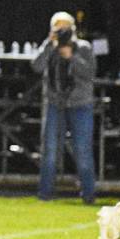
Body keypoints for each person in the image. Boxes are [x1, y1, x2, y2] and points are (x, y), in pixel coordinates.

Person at [32, 12, 96, 203]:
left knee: (82, 149)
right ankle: (45, 193)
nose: (62, 33)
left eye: (65, 28)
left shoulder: (83, 47)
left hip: (80, 103)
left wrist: (72, 58)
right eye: (57, 28)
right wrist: (48, 44)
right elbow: (36, 66)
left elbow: (90, 72)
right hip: (54, 102)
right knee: (50, 149)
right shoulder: (50, 48)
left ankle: (88, 194)